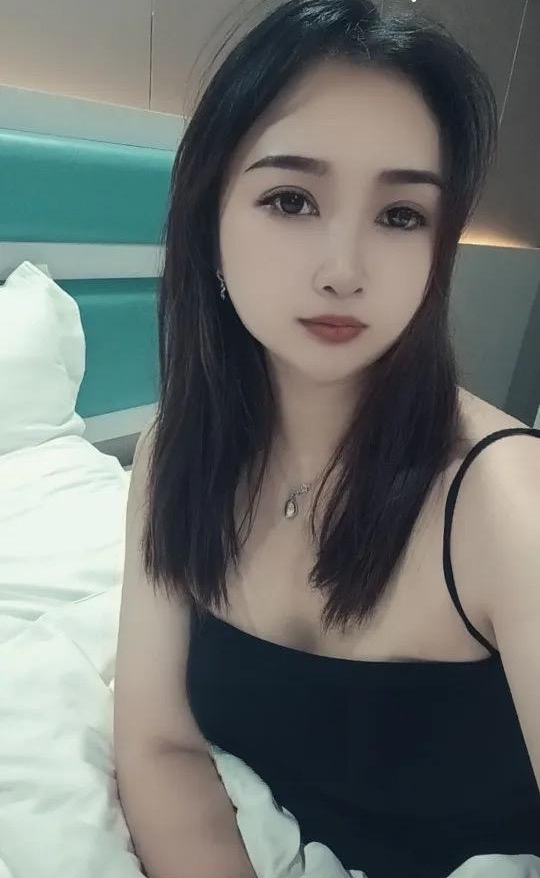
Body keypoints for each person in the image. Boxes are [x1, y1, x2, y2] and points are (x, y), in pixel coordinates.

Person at [113, 1, 540, 877]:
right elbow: (158, 744)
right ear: (210, 223)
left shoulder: (503, 500)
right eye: (291, 199)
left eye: (401, 215)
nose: (344, 270)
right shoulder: (173, 458)